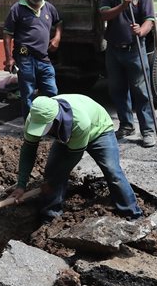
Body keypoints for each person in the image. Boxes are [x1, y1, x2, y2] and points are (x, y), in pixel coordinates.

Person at [10, 94, 143, 222]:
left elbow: (71, 159)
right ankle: (50, 216)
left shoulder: (79, 122)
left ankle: (133, 214)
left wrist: (52, 183)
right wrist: (21, 185)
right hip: (67, 133)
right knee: (52, 172)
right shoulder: (33, 119)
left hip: (98, 130)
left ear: (56, 120)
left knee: (112, 171)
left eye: (44, 128)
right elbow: (28, 151)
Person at [98, 0, 156, 148]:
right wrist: (123, 5)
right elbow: (104, 15)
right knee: (117, 89)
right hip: (114, 49)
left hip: (135, 49)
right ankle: (126, 125)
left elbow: (150, 20)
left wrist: (141, 30)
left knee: (141, 91)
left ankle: (147, 131)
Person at [2, 0, 62, 116]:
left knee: (52, 92)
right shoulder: (16, 9)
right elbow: (7, 34)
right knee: (28, 95)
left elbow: (59, 23)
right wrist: (9, 58)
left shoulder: (49, 8)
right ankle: (30, 129)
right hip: (25, 59)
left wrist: (57, 38)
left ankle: (54, 123)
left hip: (43, 58)